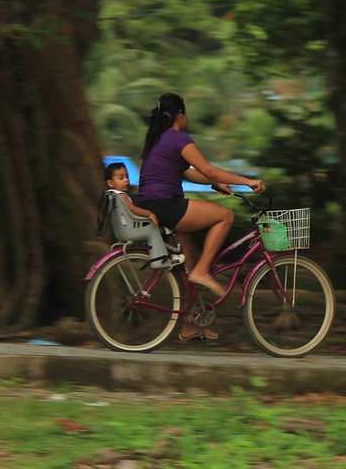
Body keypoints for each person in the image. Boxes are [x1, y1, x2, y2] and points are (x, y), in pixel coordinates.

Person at [133, 93, 264, 341]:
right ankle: (204, 271)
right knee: (224, 216)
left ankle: (190, 324)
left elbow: (189, 173)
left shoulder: (158, 139)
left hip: (151, 204)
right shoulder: (177, 137)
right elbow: (209, 169)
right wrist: (247, 181)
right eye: (186, 113)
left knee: (187, 263)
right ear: (181, 114)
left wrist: (216, 184)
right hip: (165, 205)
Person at [101, 162, 184, 270]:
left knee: (147, 235)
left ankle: (144, 260)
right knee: (153, 230)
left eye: (127, 177)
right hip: (130, 230)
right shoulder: (120, 195)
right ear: (110, 183)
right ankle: (161, 260)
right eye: (121, 178)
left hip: (121, 232)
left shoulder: (111, 195)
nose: (126, 180)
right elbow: (133, 209)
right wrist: (149, 214)